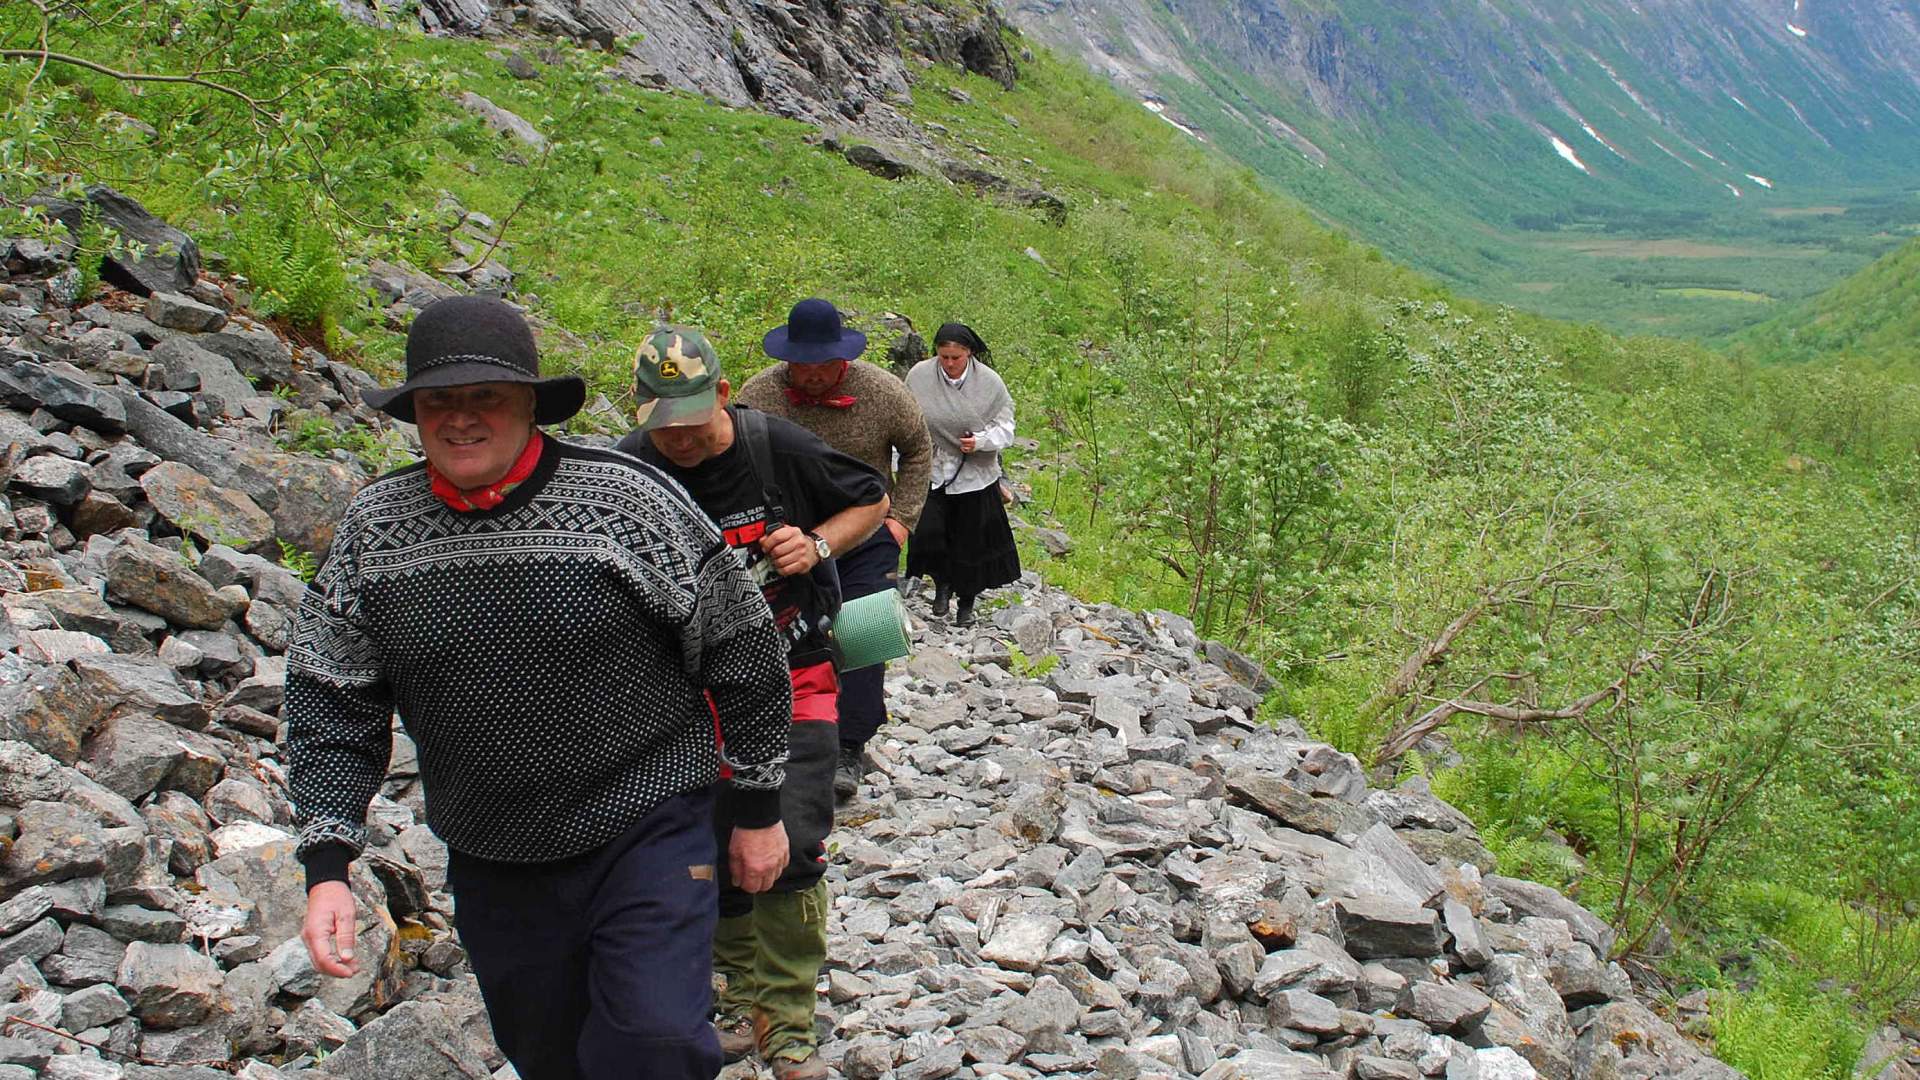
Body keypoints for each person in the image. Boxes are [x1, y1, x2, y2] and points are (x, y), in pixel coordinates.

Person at [285, 296, 794, 1080]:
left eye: (485, 397)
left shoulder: (627, 505)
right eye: (438, 402)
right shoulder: (375, 530)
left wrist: (758, 808)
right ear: (414, 413)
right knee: (547, 1056)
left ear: (529, 405)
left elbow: (742, 648)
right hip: (494, 848)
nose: (461, 420)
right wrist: (328, 865)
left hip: (647, 819)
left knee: (653, 1044)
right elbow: (331, 697)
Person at [616, 327, 889, 1080]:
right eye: (662, 426)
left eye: (695, 422)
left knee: (792, 841)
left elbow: (872, 498)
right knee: (715, 843)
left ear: (725, 396)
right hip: (685, 690)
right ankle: (738, 996)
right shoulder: (626, 469)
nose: (681, 440)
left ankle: (790, 1019)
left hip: (794, 666)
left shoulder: (778, 447)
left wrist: (818, 545)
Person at [737, 298, 933, 802]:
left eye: (824, 364)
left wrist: (901, 522)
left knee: (864, 633)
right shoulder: (758, 395)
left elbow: (918, 451)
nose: (814, 375)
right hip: (787, 539)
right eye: (803, 365)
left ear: (842, 359)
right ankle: (783, 736)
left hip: (868, 534)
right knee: (782, 633)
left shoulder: (884, 392)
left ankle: (850, 744)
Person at [904, 322, 1022, 627]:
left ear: (969, 353)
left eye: (956, 358)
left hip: (975, 474)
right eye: (944, 357)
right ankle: (942, 585)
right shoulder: (919, 377)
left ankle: (966, 604)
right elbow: (906, 420)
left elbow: (1006, 428)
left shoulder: (990, 384)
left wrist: (980, 442)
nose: (950, 363)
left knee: (971, 541)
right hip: (933, 467)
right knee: (930, 532)